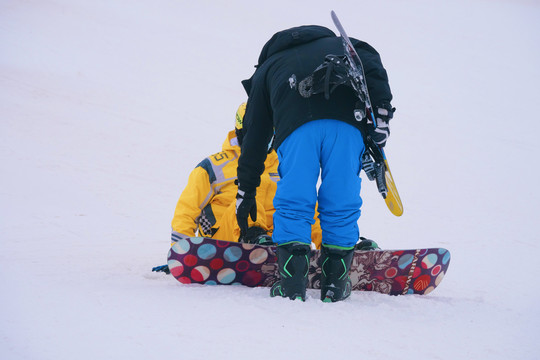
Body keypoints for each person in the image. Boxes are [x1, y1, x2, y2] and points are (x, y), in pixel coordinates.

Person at [235, 25, 394, 302]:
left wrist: (246, 189)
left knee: (295, 198)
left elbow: (255, 136)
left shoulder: (268, 68)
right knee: (342, 199)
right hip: (347, 125)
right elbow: (369, 58)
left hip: (296, 129)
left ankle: (291, 287)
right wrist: (381, 111)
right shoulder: (342, 44)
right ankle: (335, 285)